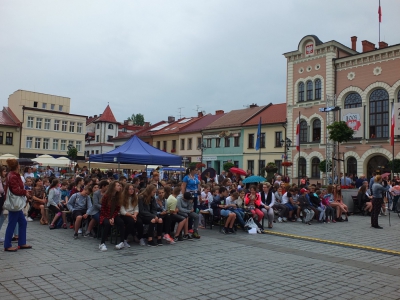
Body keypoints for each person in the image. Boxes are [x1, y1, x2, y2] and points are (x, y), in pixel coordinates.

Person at [3, 159, 32, 252]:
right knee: (12, 224)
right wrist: (25, 192)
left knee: (23, 222)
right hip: (14, 204)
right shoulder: (13, 176)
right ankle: (7, 245)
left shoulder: (12, 175)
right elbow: (15, 190)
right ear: (17, 166)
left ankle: (22, 242)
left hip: (16, 204)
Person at [98, 181, 125, 250]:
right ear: (113, 187)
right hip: (104, 215)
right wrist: (109, 218)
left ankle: (122, 242)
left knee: (121, 222)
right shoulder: (106, 196)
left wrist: (112, 217)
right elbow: (103, 209)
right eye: (118, 185)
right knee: (107, 224)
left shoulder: (118, 197)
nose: (120, 187)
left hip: (113, 215)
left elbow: (117, 209)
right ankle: (102, 243)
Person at [120, 183, 143, 248]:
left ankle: (140, 237)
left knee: (140, 222)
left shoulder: (135, 197)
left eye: (133, 189)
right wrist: (131, 216)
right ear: (126, 190)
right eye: (130, 189)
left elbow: (136, 208)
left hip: (133, 214)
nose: (132, 190)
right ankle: (124, 239)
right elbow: (122, 211)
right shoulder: (122, 198)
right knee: (131, 222)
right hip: (125, 214)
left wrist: (135, 215)